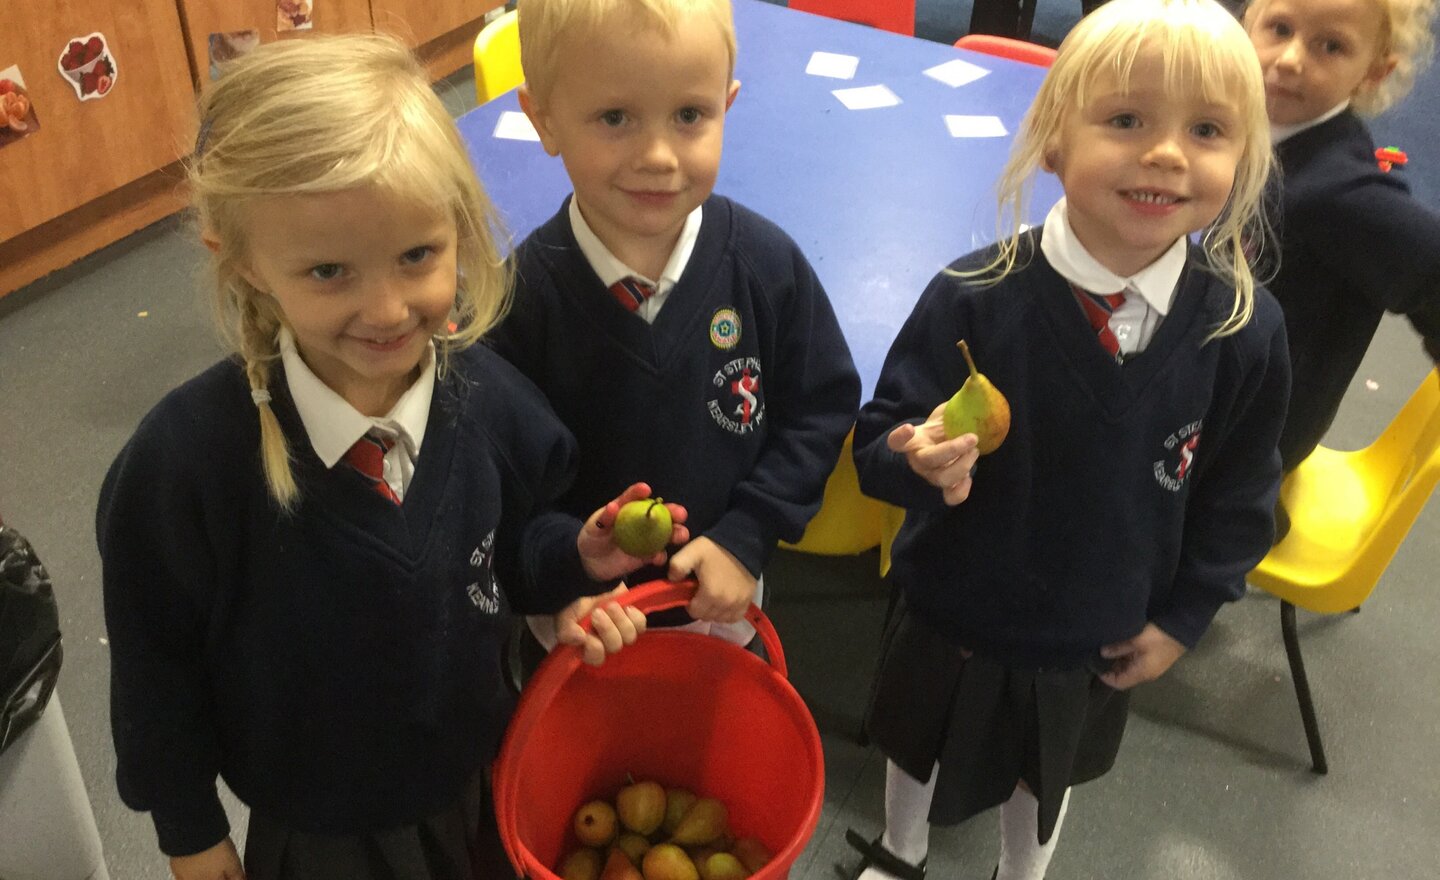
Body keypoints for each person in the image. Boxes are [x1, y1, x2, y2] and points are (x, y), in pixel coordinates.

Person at [96, 35, 682, 880]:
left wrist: (571, 568)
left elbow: (510, 552)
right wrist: (190, 830)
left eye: (418, 255)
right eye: (329, 271)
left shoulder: (492, 403)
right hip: (324, 834)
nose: (386, 308)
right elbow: (155, 671)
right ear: (248, 264)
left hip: (483, 783)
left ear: (457, 228)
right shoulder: (185, 465)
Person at [843, 0, 1290, 877]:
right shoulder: (973, 297)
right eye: (1126, 120)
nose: (1165, 153)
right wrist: (915, 456)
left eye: (1206, 129)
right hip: (952, 608)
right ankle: (900, 852)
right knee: (913, 743)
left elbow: (1241, 498)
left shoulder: (1243, 330)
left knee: (1044, 778)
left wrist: (1185, 616)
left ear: (1242, 159)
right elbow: (874, 442)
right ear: (1054, 141)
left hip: (1095, 635)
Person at [490, 0, 861, 653]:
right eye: (615, 118)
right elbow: (498, 490)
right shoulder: (516, 305)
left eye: (690, 115)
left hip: (725, 605)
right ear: (543, 120)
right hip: (582, 630)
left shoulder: (766, 268)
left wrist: (748, 533)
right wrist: (563, 579)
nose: (659, 156)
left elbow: (819, 411)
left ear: (728, 102)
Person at [1244, 0, 1440, 534]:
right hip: (1228, 378)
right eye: (1279, 29)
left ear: (1374, 72)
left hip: (1246, 442)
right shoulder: (1267, 126)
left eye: (1330, 46)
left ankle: (1233, 530)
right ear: (1248, 24)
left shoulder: (1338, 193)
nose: (1288, 59)